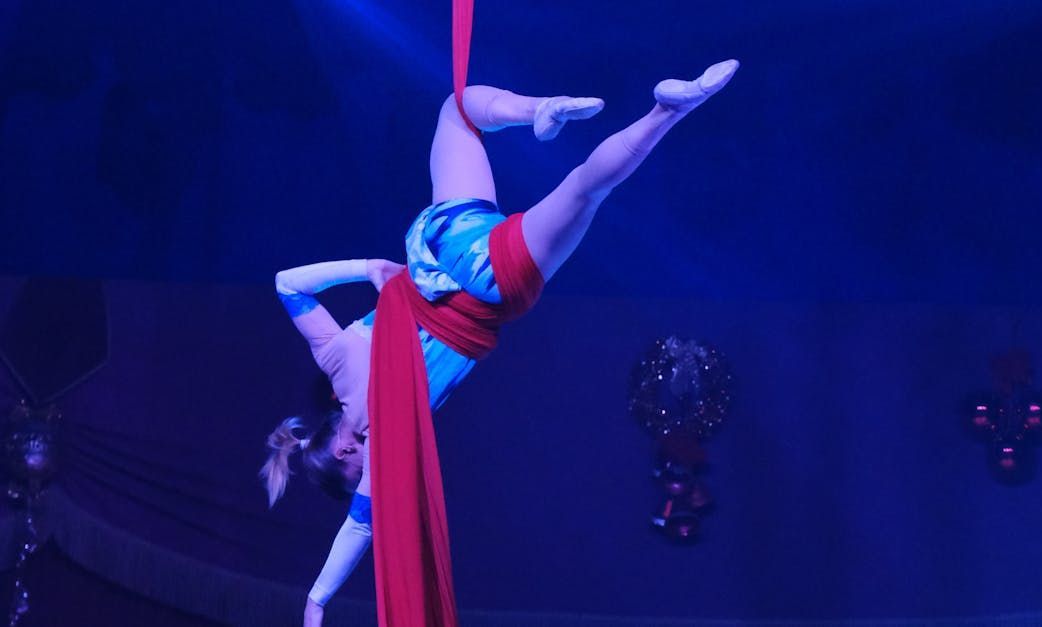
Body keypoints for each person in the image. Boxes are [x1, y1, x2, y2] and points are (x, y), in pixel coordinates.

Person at [260, 59, 740, 626]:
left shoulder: (387, 440)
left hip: (492, 280)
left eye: (358, 467)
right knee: (458, 111)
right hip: (449, 237)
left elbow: (359, 529)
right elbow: (287, 284)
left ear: (343, 452)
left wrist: (318, 601)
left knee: (589, 187)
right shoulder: (337, 357)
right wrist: (368, 267)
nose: (373, 470)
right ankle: (539, 109)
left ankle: (668, 110)